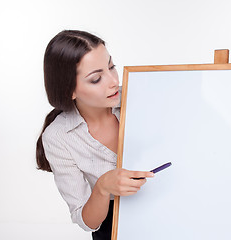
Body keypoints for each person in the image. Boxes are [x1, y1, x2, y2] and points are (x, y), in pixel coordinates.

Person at [35, 30, 154, 240]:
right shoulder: (58, 137)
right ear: (69, 91)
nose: (112, 81)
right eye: (96, 78)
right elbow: (87, 222)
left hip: (166, 206)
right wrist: (102, 188)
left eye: (111, 67)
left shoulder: (140, 96)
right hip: (113, 227)